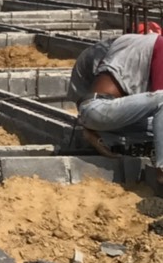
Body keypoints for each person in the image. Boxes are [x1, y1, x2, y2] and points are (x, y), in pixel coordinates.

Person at [69, 32, 163, 180]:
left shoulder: (127, 46)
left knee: (155, 127)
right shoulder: (159, 46)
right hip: (99, 107)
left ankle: (103, 137)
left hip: (102, 116)